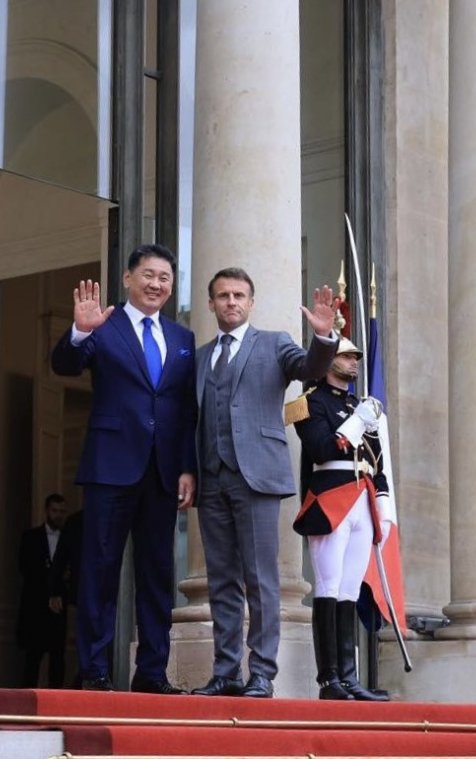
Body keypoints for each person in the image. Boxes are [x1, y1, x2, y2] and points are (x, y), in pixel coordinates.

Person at [50, 244, 196, 694]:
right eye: (148, 275)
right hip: (111, 465)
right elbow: (64, 365)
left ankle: (152, 672)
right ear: (128, 278)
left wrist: (187, 467)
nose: (156, 284)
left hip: (162, 471)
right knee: (99, 569)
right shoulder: (104, 324)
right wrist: (80, 331)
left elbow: (185, 409)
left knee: (157, 574)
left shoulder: (182, 338)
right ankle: (94, 669)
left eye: (165, 278)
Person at [190, 268, 338, 699]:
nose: (231, 302)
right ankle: (225, 672)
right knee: (221, 581)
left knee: (261, 579)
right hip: (211, 480)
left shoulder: (273, 343)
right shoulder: (200, 357)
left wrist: (323, 337)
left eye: (239, 295)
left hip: (256, 477)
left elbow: (310, 367)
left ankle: (261, 674)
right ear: (211, 303)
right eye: (223, 296)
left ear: (251, 303)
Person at [292, 339, 392, 701]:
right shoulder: (308, 402)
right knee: (329, 586)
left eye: (355, 357)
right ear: (327, 360)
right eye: (346, 356)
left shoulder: (356, 404)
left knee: (350, 589)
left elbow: (376, 459)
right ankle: (329, 679)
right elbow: (320, 448)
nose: (353, 362)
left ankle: (349, 678)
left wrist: (382, 501)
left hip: (362, 498)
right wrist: (356, 422)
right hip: (330, 497)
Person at [17, 493, 71, 688]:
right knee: (33, 655)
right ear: (47, 511)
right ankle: (27, 695)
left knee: (58, 655)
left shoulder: (69, 538)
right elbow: (25, 568)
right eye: (55, 511)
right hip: (35, 604)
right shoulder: (30, 537)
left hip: (59, 606)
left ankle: (57, 696)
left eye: (62, 512)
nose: (58, 515)